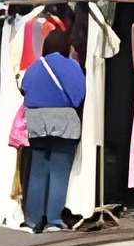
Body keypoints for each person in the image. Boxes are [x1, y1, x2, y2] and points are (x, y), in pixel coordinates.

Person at [20, 27, 86, 233]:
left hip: (36, 121)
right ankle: (54, 220)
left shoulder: (35, 66)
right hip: (63, 122)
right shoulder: (72, 66)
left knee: (37, 171)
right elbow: (79, 95)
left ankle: (33, 220)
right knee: (59, 171)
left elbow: (24, 89)